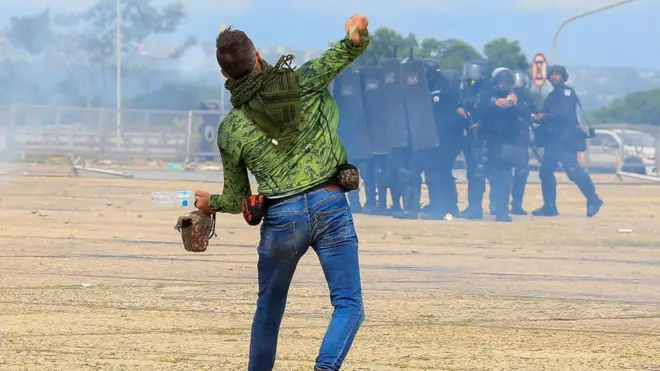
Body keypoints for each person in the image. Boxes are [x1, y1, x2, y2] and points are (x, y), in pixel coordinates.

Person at [194, 15, 370, 371]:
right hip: (331, 202)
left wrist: (207, 202)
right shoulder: (302, 81)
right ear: (258, 57)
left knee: (268, 312)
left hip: (281, 219)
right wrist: (356, 36)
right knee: (349, 305)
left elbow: (236, 200)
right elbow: (344, 51)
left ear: (226, 76)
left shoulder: (231, 130)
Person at [531, 64, 604, 218]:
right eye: (552, 74)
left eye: (557, 74)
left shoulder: (567, 92)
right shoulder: (551, 96)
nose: (554, 77)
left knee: (573, 171)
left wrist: (545, 116)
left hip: (566, 139)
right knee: (545, 173)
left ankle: (593, 199)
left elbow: (563, 112)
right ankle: (549, 206)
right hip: (553, 140)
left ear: (563, 76)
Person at [480, 67, 525, 222]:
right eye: (501, 83)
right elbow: (481, 110)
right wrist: (494, 103)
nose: (503, 86)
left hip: (508, 142)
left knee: (504, 176)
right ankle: (495, 205)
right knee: (490, 175)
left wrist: (513, 103)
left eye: (506, 83)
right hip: (490, 140)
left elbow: (524, 115)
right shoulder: (488, 95)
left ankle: (502, 209)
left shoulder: (516, 98)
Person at [421, 65, 466, 219]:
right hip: (443, 137)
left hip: (443, 137)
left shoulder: (442, 88)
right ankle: (448, 205)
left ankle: (439, 207)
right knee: (442, 172)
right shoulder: (450, 92)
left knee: (436, 172)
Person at [458, 59, 490, 220]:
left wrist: (481, 124)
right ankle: (472, 205)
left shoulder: (487, 90)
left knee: (478, 171)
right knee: (472, 171)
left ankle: (476, 207)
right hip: (470, 135)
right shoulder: (468, 89)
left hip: (482, 136)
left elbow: (487, 111)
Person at [509, 70, 538, 215]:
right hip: (507, 139)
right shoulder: (505, 96)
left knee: (522, 171)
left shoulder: (527, 98)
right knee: (503, 171)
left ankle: (516, 203)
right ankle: (498, 202)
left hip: (522, 139)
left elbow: (535, 114)